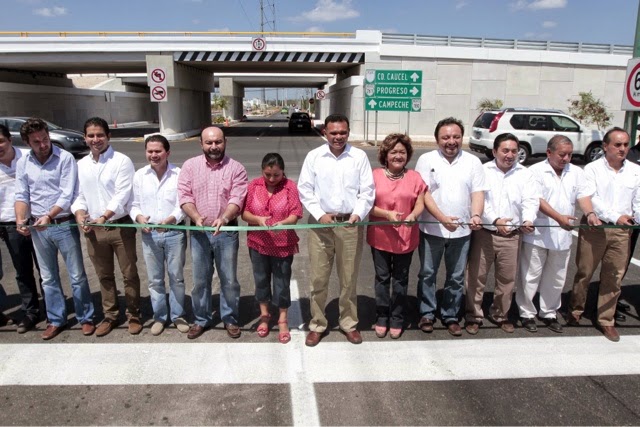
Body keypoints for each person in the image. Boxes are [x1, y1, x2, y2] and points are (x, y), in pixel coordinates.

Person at [298, 113, 375, 346]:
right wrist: (320, 214)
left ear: (348, 132)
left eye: (343, 132)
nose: (338, 137)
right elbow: (305, 189)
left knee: (349, 278)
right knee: (318, 278)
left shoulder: (359, 157)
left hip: (350, 224)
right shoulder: (314, 157)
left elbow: (367, 190)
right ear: (325, 133)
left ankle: (349, 323)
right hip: (320, 224)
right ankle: (318, 324)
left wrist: (357, 214)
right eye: (334, 133)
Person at [14, 118, 95, 340]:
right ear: (27, 142)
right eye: (36, 141)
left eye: (45, 139)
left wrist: (49, 216)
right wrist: (20, 219)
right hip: (39, 229)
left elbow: (67, 194)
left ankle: (85, 317)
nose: (43, 144)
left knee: (77, 275)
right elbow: (22, 194)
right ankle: (56, 319)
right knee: (49, 278)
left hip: (63, 223)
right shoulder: (23, 163)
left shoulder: (65, 158)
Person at [516, 135, 600, 333]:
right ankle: (527, 313)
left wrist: (590, 213)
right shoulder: (535, 171)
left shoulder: (576, 172)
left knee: (556, 277)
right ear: (549, 152)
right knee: (530, 276)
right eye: (562, 154)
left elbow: (583, 196)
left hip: (563, 234)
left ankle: (549, 312)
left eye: (570, 154)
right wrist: (558, 217)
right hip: (538, 232)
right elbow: (537, 199)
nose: (566, 158)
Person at [414, 117, 486, 336]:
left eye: (456, 137)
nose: (451, 141)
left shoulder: (473, 162)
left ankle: (450, 315)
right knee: (428, 273)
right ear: (437, 139)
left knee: (455, 277)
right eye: (446, 137)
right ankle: (427, 313)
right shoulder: (426, 160)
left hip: (463, 232)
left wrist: (476, 214)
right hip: (431, 229)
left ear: (462, 138)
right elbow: (423, 193)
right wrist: (442, 217)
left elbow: (478, 192)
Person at [567, 127, 640, 342]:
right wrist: (615, 215)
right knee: (585, 272)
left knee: (613, 276)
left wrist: (636, 218)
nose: (622, 149)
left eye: (626, 144)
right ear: (605, 146)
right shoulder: (591, 169)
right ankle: (576, 310)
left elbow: (637, 201)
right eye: (617, 145)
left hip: (621, 231)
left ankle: (606, 319)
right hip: (595, 228)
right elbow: (591, 198)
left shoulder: (636, 171)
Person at [72, 117, 141, 337]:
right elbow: (79, 196)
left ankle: (134, 315)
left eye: (100, 135)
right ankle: (110, 315)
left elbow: (122, 194)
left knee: (129, 273)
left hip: (120, 226)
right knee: (104, 275)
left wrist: (104, 215)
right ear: (85, 138)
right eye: (91, 135)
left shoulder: (122, 161)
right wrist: (80, 214)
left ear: (108, 137)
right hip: (93, 229)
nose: (95, 139)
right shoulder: (81, 165)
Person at [178, 126, 248, 340]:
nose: (214, 146)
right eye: (209, 142)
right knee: (200, 279)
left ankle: (230, 318)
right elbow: (184, 195)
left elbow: (237, 198)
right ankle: (201, 318)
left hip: (226, 231)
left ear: (225, 142)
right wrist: (196, 216)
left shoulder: (236, 168)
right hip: (199, 232)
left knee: (228, 279)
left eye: (218, 142)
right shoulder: (190, 166)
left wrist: (225, 218)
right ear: (201, 144)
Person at [464, 133, 538, 335]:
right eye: (505, 150)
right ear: (495, 151)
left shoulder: (525, 174)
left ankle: (500, 314)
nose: (510, 155)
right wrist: (495, 221)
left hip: (512, 236)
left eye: (514, 151)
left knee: (506, 280)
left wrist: (528, 220)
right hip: (485, 233)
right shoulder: (483, 171)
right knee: (476, 277)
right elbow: (479, 201)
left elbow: (530, 201)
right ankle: (473, 316)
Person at [367, 133, 426, 339]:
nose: (398, 156)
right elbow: (367, 204)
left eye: (402, 152)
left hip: (405, 236)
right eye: (393, 152)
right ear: (386, 154)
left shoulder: (415, 177)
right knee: (382, 278)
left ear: (408, 155)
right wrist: (386, 214)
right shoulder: (374, 176)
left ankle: (397, 317)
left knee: (400, 279)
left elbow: (420, 201)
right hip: (380, 235)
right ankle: (382, 315)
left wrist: (413, 214)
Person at [130, 134, 189, 336]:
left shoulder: (179, 174)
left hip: (174, 233)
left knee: (176, 278)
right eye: (150, 151)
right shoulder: (139, 176)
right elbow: (133, 204)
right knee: (155, 280)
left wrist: (171, 218)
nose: (154, 155)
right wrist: (138, 218)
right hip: (150, 235)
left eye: (158, 151)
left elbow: (183, 203)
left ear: (167, 152)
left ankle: (178, 315)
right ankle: (159, 316)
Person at [241, 153, 303, 344]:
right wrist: (257, 220)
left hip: (283, 243)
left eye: (276, 174)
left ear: (282, 171)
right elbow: (245, 213)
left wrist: (283, 223)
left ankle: (282, 318)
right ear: (262, 171)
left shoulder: (290, 186)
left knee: (282, 282)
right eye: (268, 174)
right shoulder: (254, 186)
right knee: (261, 280)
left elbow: (296, 213)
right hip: (258, 242)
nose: (271, 179)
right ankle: (265, 316)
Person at [0, 124, 42, 333]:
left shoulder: (27, 157)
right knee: (22, 271)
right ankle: (30, 311)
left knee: (46, 269)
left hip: (37, 220)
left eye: (0, 141)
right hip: (8, 224)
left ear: (9, 140)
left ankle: (54, 307)